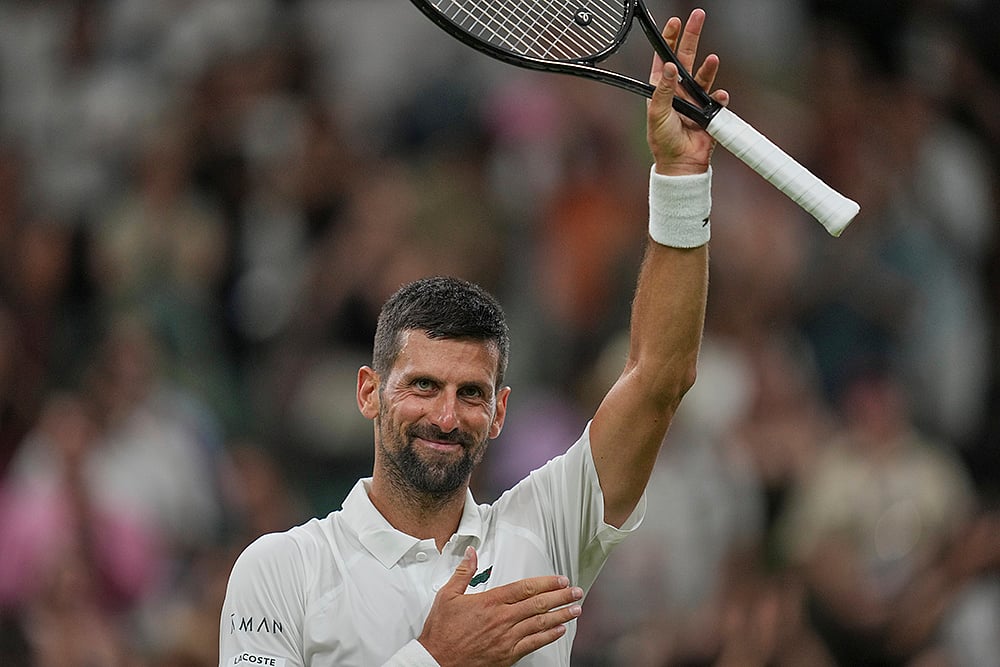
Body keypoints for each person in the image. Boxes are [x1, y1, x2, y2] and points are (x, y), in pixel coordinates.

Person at [218, 9, 728, 667]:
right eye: (423, 385)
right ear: (370, 391)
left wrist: (680, 178)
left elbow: (658, 376)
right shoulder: (283, 568)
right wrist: (436, 656)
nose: (446, 414)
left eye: (471, 393)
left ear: (499, 413)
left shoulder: (543, 531)